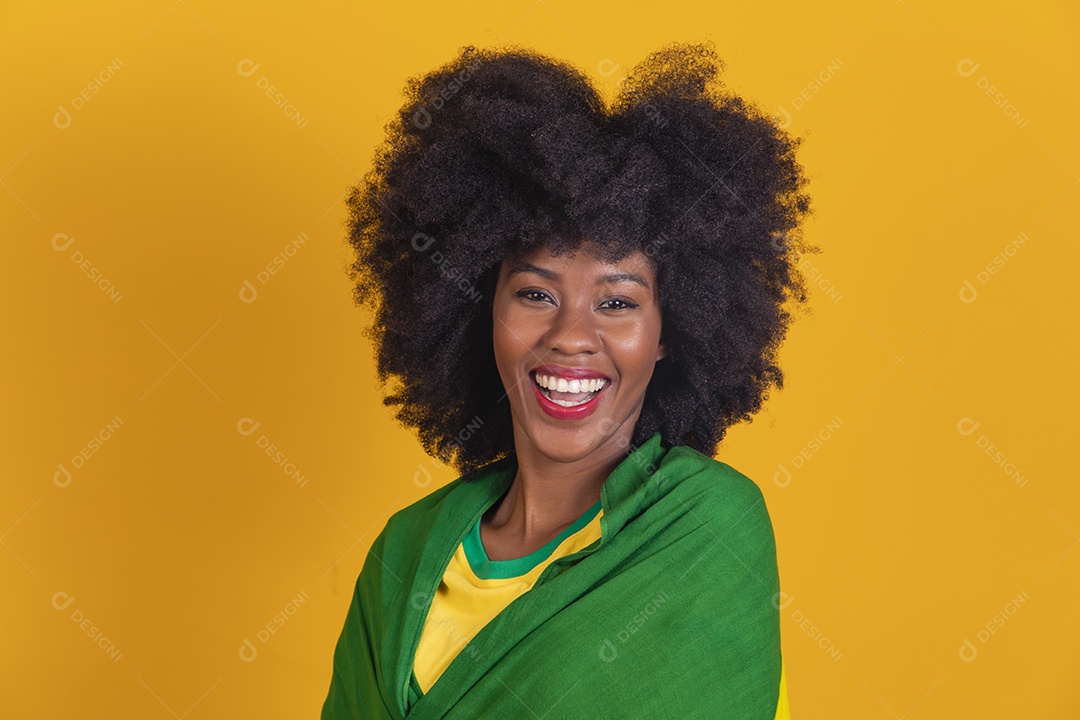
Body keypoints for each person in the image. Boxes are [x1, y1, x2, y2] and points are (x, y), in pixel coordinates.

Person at [321, 40, 815, 719]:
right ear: (477, 310)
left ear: (670, 332)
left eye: (616, 302)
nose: (571, 337)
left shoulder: (705, 526)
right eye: (535, 294)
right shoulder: (405, 552)